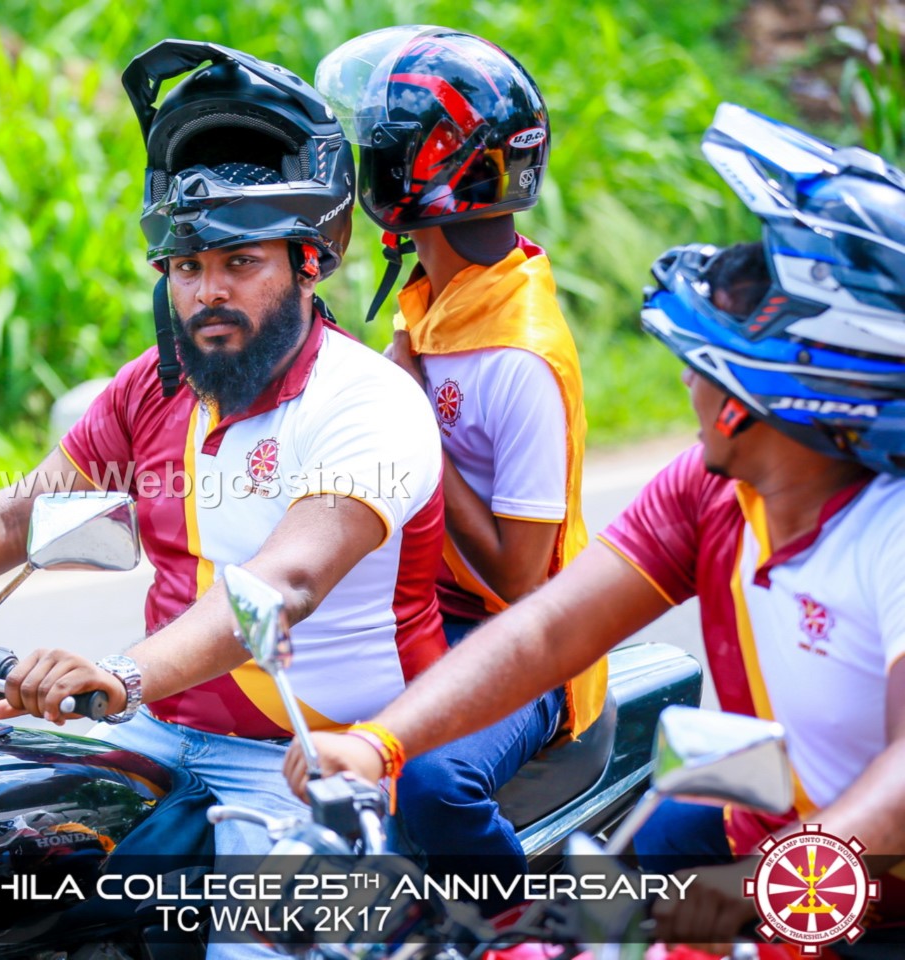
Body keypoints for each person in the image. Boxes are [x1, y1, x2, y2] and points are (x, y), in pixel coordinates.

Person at [0, 40, 446, 954]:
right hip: (158, 737)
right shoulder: (157, 386)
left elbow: (282, 584)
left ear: (309, 261)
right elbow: (17, 517)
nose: (208, 292)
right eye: (187, 266)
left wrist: (120, 674)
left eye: (240, 262)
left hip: (318, 762)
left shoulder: (366, 403)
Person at [284, 102, 905, 946]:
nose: (686, 382)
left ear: (765, 399)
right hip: (764, 824)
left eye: (703, 363)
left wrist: (773, 886)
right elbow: (549, 629)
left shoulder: (890, 534)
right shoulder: (710, 490)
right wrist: (380, 746)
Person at [312, 26, 609, 889]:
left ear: (417, 171)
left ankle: (517, 930)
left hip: (524, 641)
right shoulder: (443, 299)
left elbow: (522, 581)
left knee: (432, 784)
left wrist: (410, 423)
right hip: (421, 608)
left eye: (377, 148)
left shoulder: (518, 356)